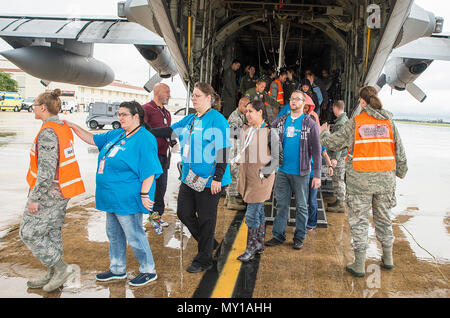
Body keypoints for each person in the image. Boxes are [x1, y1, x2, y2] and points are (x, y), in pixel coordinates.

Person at [64, 101, 163, 286]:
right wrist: (72, 126)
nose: (120, 117)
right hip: (111, 196)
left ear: (136, 117)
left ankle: (148, 269)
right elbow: (92, 139)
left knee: (134, 235)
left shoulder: (144, 138)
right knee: (114, 234)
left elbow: (150, 170)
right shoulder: (117, 133)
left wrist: (144, 195)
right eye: (119, 114)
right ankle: (117, 268)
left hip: (128, 198)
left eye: (124, 114)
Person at [320, 86, 408, 277]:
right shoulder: (389, 122)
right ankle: (387, 258)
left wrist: (323, 133)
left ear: (362, 102)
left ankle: (359, 264)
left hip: (360, 182)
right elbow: (399, 150)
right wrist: (401, 172)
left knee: (359, 222)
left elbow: (334, 143)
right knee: (384, 219)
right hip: (385, 181)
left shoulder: (357, 122)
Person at [151, 82, 232, 273]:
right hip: (190, 176)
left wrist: (217, 179)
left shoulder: (217, 120)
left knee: (206, 219)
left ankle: (204, 259)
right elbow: (169, 131)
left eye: (197, 95)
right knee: (184, 212)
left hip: (209, 179)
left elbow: (224, 150)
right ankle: (209, 242)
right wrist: (144, 131)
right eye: (193, 95)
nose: (193, 98)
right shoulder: (191, 119)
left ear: (209, 98)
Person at [20, 89, 85, 292]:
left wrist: (35, 197)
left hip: (49, 192)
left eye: (36, 104)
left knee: (29, 232)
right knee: (51, 232)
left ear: (43, 108)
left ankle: (61, 268)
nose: (33, 107)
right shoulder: (61, 126)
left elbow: (46, 171)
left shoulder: (49, 131)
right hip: (61, 189)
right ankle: (53, 272)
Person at [266, 90, 322, 250]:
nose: (294, 102)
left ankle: (299, 237)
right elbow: (271, 132)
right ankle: (278, 235)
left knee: (301, 206)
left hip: (301, 172)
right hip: (283, 171)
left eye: (298, 99)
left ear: (304, 103)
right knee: (281, 204)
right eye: (292, 99)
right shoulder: (282, 121)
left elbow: (317, 151)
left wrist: (317, 175)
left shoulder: (309, 123)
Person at [236, 100, 278, 262]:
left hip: (261, 179)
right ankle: (259, 243)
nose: (247, 114)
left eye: (251, 111)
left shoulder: (269, 132)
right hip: (249, 177)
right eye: (246, 111)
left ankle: (250, 248)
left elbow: (277, 158)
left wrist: (264, 173)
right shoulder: (248, 129)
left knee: (252, 214)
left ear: (260, 112)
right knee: (259, 211)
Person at [142, 83, 172, 227]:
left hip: (163, 156)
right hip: (151, 156)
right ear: (158, 92)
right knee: (150, 188)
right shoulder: (146, 109)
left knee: (161, 187)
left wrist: (173, 142)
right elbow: (142, 132)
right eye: (167, 92)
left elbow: (169, 132)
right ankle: (148, 215)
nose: (169, 95)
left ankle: (156, 217)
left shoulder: (166, 113)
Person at [226, 96, 249, 211]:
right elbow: (234, 133)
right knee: (234, 173)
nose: (246, 109)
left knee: (232, 173)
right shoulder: (234, 117)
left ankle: (227, 198)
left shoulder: (241, 116)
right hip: (233, 150)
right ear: (240, 104)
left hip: (235, 148)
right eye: (245, 106)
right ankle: (232, 200)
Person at [326, 100, 349, 213]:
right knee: (338, 178)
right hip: (342, 155)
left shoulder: (341, 123)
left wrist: (335, 158)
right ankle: (338, 200)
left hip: (339, 156)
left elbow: (339, 143)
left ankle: (340, 204)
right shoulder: (344, 120)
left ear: (335, 108)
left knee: (338, 179)